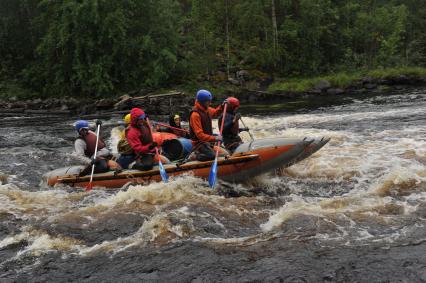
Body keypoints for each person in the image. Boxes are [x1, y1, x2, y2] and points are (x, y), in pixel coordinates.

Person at [189, 89, 229, 161]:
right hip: (199, 144)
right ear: (202, 102)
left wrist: (222, 106)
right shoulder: (195, 115)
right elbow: (200, 135)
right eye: (208, 101)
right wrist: (215, 138)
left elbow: (216, 113)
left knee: (224, 148)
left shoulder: (207, 109)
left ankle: (209, 148)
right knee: (211, 156)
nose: (210, 103)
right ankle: (195, 156)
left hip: (207, 141)